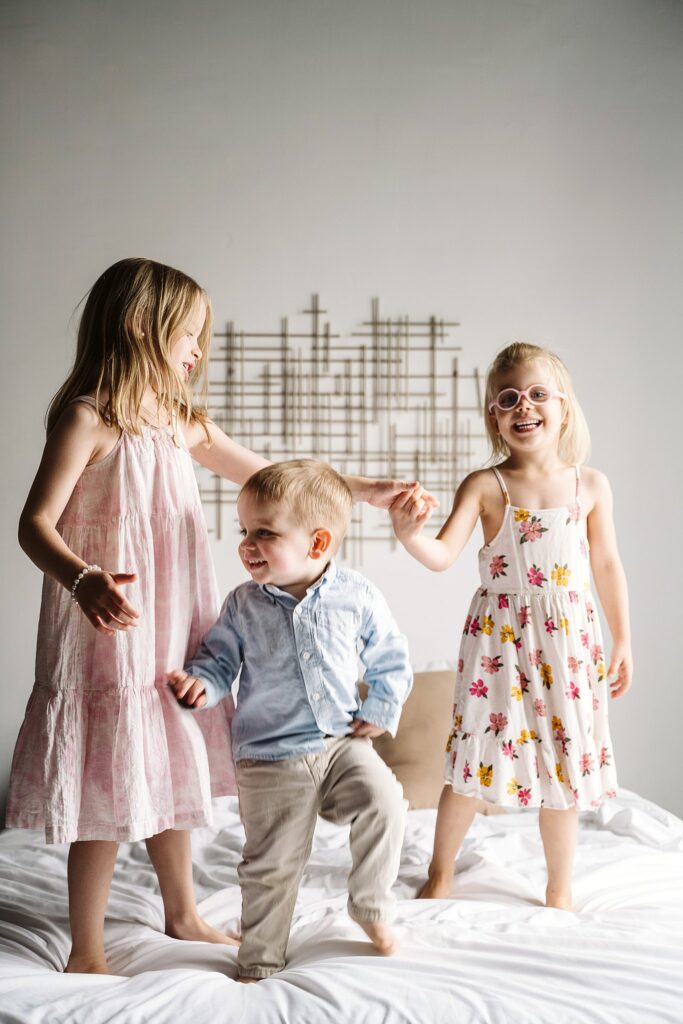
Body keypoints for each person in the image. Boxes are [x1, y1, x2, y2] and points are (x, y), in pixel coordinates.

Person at [6, 258, 425, 975]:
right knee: (112, 766)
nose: (199, 350)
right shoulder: (88, 418)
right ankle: (86, 947)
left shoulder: (181, 423)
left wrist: (366, 489)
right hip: (110, 620)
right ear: (143, 325)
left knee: (169, 749)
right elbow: (33, 524)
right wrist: (83, 579)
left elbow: (271, 478)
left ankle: (182, 911)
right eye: (190, 334)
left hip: (177, 613)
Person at [389, 341, 632, 911]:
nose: (524, 407)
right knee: (473, 752)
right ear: (495, 417)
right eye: (508, 398)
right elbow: (444, 553)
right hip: (499, 638)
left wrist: (624, 637)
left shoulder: (589, 485)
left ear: (563, 407)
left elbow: (606, 564)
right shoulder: (485, 485)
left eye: (537, 394)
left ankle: (558, 887)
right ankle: (441, 870)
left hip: (569, 637)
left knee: (565, 759)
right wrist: (408, 535)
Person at [168, 460, 411, 980]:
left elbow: (392, 657)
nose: (247, 544)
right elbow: (218, 661)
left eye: (264, 533)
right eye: (244, 531)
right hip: (269, 757)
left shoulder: (357, 596)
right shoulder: (242, 605)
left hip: (341, 744)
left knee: (386, 801)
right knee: (271, 868)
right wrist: (201, 685)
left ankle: (369, 904)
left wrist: (381, 706)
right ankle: (259, 959)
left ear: (317, 543)